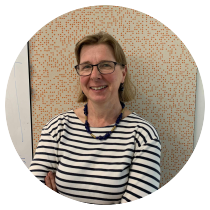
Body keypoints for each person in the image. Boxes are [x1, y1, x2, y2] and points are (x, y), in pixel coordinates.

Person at [29, 31, 161, 205]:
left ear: (123, 73)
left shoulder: (143, 136)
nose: (95, 75)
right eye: (86, 67)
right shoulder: (58, 127)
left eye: (106, 65)